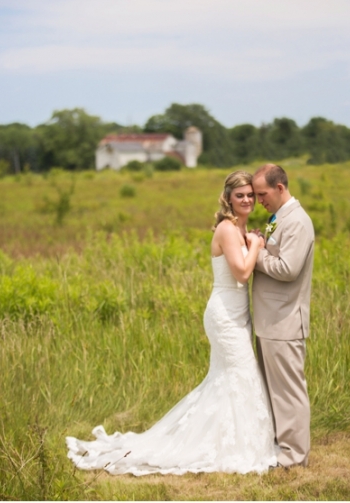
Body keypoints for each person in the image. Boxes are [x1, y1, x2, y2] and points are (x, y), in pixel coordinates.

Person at [66, 171, 279, 475]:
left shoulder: (241, 229)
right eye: (240, 195)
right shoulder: (228, 229)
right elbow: (242, 273)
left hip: (239, 314)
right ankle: (229, 447)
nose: (247, 200)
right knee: (240, 374)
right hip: (224, 315)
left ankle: (234, 442)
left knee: (230, 380)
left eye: (249, 195)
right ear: (228, 198)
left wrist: (254, 239)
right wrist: (256, 244)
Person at [251, 164, 313, 468]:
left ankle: (294, 455)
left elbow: (288, 269)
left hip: (285, 319)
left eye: (261, 193)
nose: (257, 199)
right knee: (274, 389)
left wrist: (257, 251)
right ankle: (280, 446)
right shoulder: (278, 218)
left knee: (288, 391)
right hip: (271, 319)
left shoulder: (298, 222)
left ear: (279, 188)